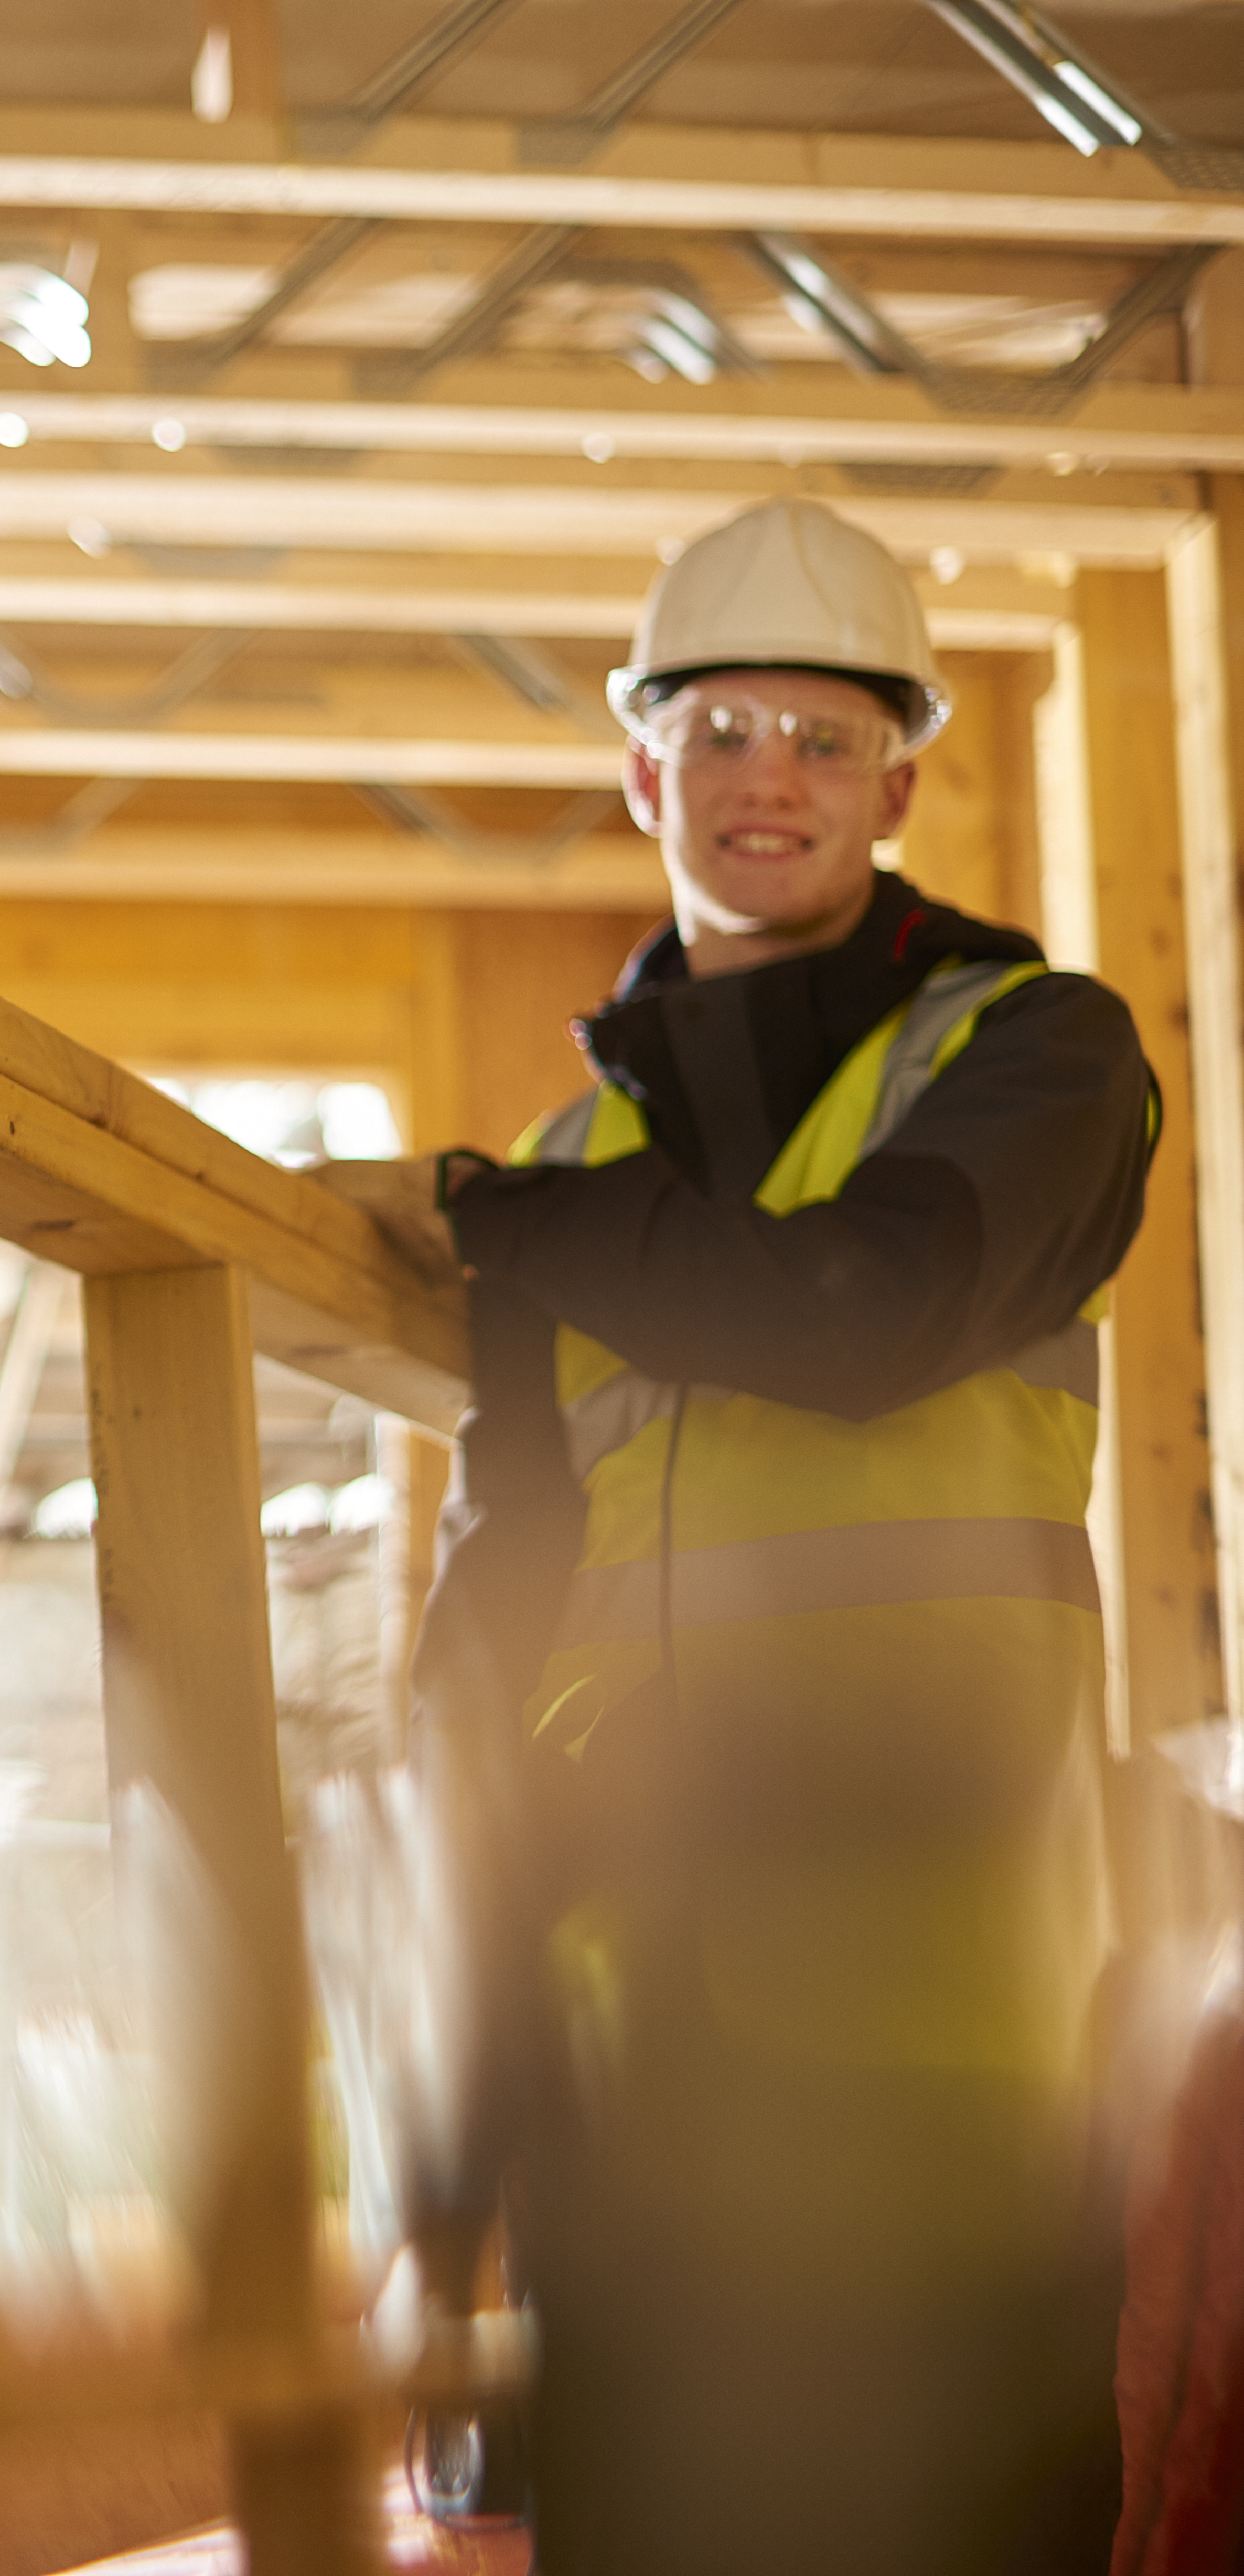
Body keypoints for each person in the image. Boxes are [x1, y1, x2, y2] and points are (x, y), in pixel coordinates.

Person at [328, 496, 1154, 2573]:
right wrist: (444, 2163)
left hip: (953, 2064)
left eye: (817, 728)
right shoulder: (567, 1163)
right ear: (638, 769)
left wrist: (496, 1223)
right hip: (639, 2096)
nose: (763, 773)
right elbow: (483, 1659)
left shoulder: (1033, 1057)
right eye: (714, 728)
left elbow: (855, 1316)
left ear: (901, 774)